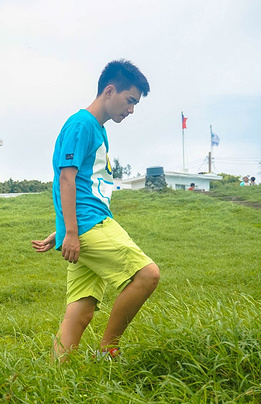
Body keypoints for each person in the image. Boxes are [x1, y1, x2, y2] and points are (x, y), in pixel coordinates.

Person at [31, 59, 160, 362]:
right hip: (90, 227)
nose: (131, 110)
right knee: (147, 275)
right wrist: (71, 232)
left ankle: (53, 376)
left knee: (81, 310)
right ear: (109, 90)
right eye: (130, 101)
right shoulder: (82, 124)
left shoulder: (98, 130)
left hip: (83, 225)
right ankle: (108, 348)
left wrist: (60, 231)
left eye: (135, 104)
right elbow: (66, 177)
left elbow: (86, 188)